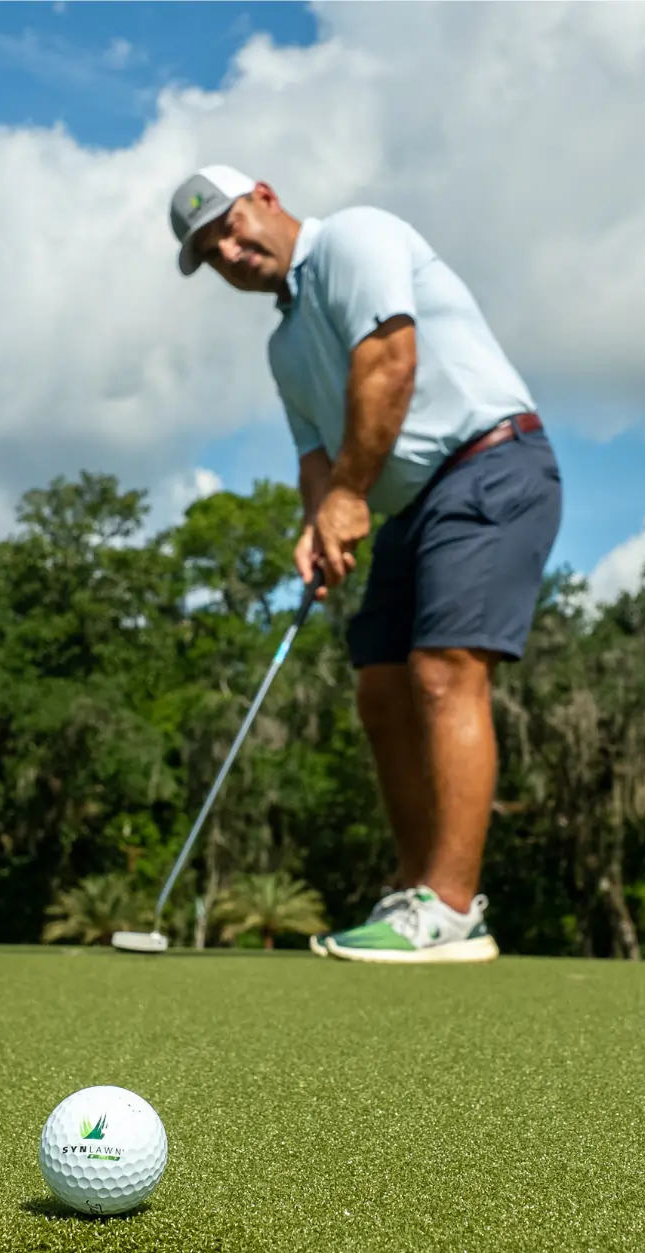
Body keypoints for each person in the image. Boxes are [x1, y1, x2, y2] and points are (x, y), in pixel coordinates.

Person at [169, 165, 562, 964]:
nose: (232, 253)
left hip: (491, 462)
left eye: (232, 226)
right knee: (381, 691)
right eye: (212, 252)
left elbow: (389, 361)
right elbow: (315, 454)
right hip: (415, 505)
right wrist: (320, 522)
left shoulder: (356, 238)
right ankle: (415, 893)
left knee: (443, 671)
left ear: (266, 198)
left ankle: (451, 910)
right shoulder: (284, 348)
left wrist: (348, 496)